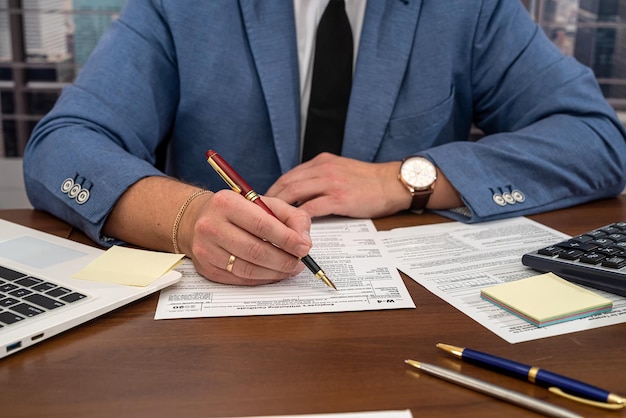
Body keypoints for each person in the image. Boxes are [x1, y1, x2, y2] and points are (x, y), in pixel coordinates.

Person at [23, 0, 626, 287]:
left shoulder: (468, 9)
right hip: (216, 324)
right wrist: (187, 216)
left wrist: (406, 180)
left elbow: (598, 141)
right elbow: (62, 145)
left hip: (405, 325)